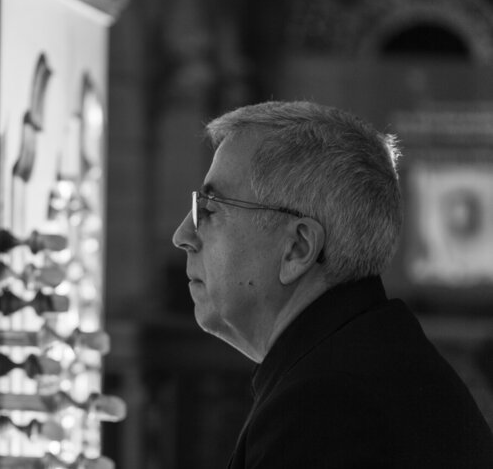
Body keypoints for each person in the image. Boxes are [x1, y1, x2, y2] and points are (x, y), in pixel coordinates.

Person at [172, 101, 493, 468]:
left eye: (211, 208)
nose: (182, 236)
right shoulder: (366, 362)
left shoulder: (327, 403)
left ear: (297, 248)